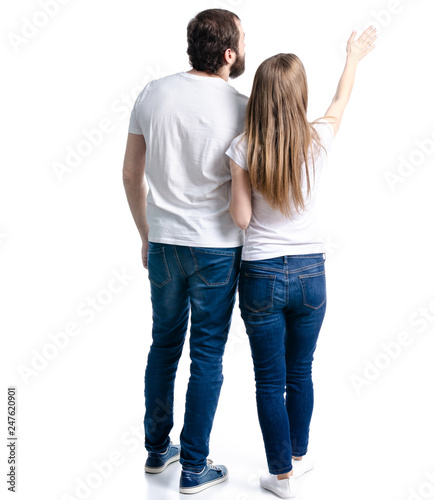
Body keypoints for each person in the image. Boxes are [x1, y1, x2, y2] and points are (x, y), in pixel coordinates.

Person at [225, 27, 377, 498]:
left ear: (261, 96)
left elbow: (242, 218)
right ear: (298, 95)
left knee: (269, 380)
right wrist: (353, 56)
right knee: (301, 371)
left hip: (262, 274)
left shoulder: (244, 147)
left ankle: (281, 477)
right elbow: (341, 99)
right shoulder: (318, 140)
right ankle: (296, 459)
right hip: (312, 275)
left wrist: (238, 179)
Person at [122, 8, 247, 495]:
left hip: (165, 245)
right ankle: (194, 467)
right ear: (230, 52)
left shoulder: (153, 93)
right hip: (217, 248)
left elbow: (131, 174)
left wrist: (145, 235)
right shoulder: (242, 105)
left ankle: (158, 451)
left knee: (164, 345)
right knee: (208, 355)